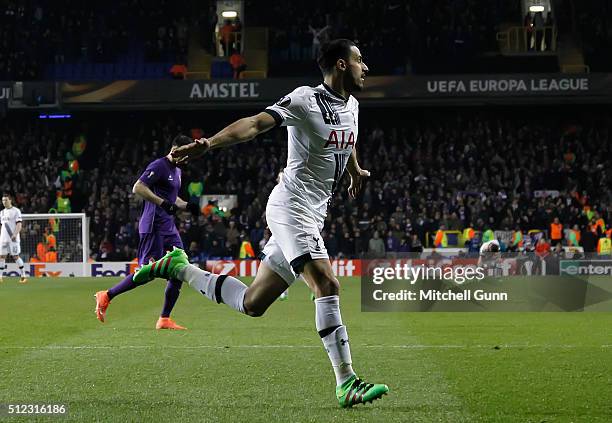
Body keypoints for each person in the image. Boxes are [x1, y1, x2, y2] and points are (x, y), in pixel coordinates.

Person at [134, 39, 388, 407]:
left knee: (253, 303)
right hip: (291, 207)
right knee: (327, 283)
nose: (366, 66)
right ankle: (347, 382)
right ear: (341, 65)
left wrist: (353, 169)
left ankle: (181, 269)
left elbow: (345, 141)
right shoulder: (305, 99)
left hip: (314, 214)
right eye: (360, 60)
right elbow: (254, 124)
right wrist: (208, 143)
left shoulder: (353, 106)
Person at [94, 135, 200, 330]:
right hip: (153, 226)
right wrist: (161, 203)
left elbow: (172, 198)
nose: (187, 158)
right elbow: (138, 187)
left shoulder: (177, 171)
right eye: (185, 153)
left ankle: (164, 319)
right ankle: (107, 295)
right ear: (175, 149)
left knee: (180, 269)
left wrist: (187, 206)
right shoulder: (159, 165)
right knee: (147, 273)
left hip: (168, 227)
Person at [0, 193, 27, 283]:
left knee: (15, 257)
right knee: (2, 257)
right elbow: (2, 226)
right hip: (3, 239)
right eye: (3, 200)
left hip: (13, 239)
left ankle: (23, 276)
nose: (4, 202)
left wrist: (15, 234)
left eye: (6, 200)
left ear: (10, 200)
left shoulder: (16, 211)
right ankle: (0, 276)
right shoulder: (1, 212)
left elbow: (19, 224)